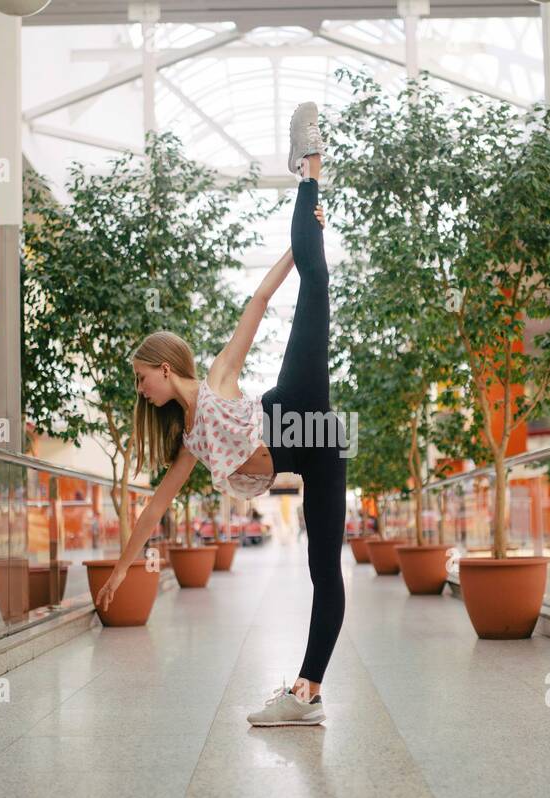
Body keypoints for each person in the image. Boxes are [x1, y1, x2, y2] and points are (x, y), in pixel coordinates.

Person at [94, 102, 345, 727]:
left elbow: (260, 300)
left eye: (140, 376)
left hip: (296, 408)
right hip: (313, 448)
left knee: (315, 283)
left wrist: (298, 244)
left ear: (162, 364)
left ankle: (309, 168)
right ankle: (306, 697)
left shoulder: (216, 382)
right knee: (323, 570)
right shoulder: (191, 443)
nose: (140, 388)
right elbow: (155, 507)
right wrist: (121, 570)